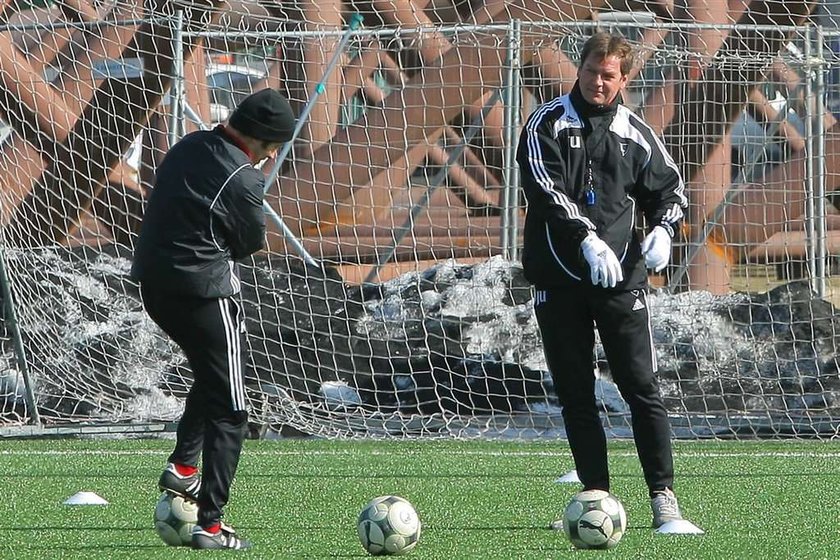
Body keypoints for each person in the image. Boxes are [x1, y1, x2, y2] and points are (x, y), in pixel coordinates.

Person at [516, 32, 691, 528]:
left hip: (621, 282)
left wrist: (663, 228)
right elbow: (543, 188)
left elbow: (671, 189)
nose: (598, 81)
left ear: (623, 79)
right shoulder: (545, 123)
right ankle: (596, 499)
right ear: (581, 68)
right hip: (560, 280)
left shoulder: (635, 133)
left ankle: (664, 500)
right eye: (592, 71)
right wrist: (586, 240)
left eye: (609, 75)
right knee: (575, 393)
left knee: (641, 388)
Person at [132, 88, 296, 550]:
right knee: (232, 407)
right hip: (204, 293)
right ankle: (210, 524)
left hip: (155, 287)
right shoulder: (244, 179)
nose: (275, 153)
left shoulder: (187, 145)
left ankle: (183, 467)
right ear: (260, 139)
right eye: (273, 144)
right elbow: (248, 243)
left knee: (212, 373)